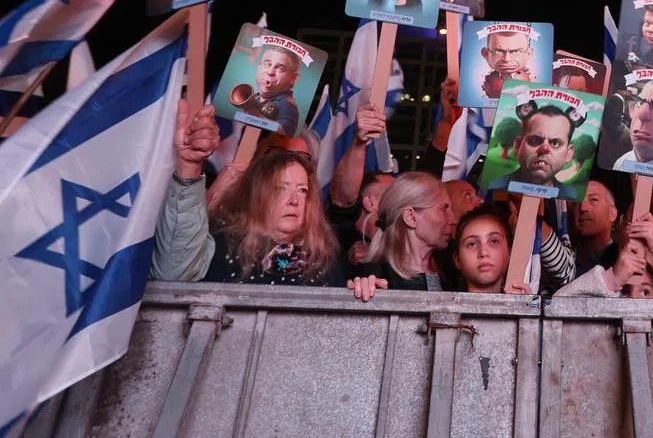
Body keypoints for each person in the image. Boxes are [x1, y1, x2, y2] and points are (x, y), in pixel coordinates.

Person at [150, 101, 343, 287]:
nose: (294, 201)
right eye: (281, 187)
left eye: (302, 190)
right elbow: (173, 274)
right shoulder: (223, 241)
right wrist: (190, 169)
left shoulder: (323, 259)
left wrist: (363, 291)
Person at [348, 172, 457, 299]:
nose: (453, 220)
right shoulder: (376, 279)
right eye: (444, 209)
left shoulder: (453, 270)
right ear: (410, 217)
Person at [238, 45, 301, 136]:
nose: (270, 72)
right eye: (267, 64)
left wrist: (257, 117)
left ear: (293, 78)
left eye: (280, 69)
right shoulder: (257, 96)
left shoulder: (287, 105)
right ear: (259, 67)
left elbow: (284, 131)